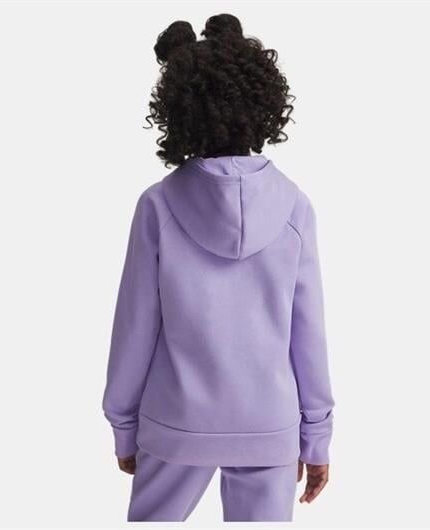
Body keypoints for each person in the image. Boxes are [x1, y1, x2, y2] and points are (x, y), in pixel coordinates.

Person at [102, 13, 335, 522]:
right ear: (263, 103)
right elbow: (308, 334)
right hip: (268, 425)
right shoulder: (295, 207)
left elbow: (134, 328)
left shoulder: (158, 206)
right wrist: (315, 437)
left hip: (175, 421)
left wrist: (124, 426)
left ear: (178, 108)